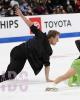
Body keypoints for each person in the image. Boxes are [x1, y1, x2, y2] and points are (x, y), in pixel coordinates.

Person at [0, 7, 60, 83]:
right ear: (51, 37)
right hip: (18, 53)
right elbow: (31, 25)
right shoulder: (41, 36)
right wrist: (21, 15)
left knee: (10, 75)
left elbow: (47, 65)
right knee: (9, 75)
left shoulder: (48, 50)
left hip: (19, 54)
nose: (58, 41)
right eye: (57, 38)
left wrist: (47, 78)